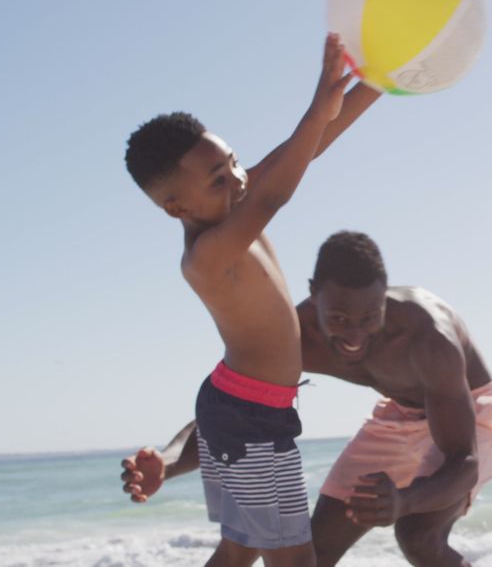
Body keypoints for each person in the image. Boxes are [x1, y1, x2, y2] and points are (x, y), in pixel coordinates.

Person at [122, 34, 379, 566]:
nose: (238, 178)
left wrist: (385, 80)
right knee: (293, 559)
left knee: (238, 550)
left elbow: (311, 146)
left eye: (235, 162)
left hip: (239, 408)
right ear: (175, 208)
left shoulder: (231, 200)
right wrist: (315, 106)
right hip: (250, 424)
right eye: (219, 177)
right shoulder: (209, 254)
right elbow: (273, 193)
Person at [121, 231, 492, 567]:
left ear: (384, 296)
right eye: (340, 319)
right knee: (313, 553)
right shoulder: (292, 338)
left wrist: (403, 500)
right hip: (400, 413)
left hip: (474, 410)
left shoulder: (428, 340)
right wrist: (170, 461)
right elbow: (233, 412)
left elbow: (463, 462)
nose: (355, 336)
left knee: (416, 532)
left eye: (369, 319)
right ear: (314, 295)